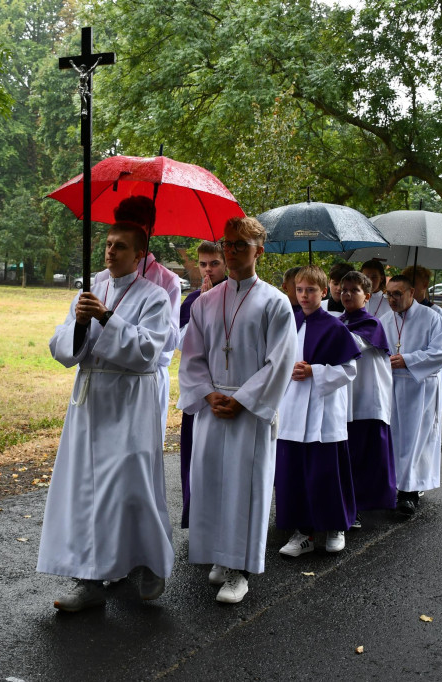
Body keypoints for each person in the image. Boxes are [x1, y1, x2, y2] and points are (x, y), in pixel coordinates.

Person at [39, 221, 174, 612]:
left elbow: (149, 351)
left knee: (130, 488)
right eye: (108, 244)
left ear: (139, 254)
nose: (111, 252)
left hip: (130, 401)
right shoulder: (90, 290)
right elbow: (62, 349)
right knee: (86, 491)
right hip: (90, 401)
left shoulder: (155, 296)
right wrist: (81, 323)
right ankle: (89, 580)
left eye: (120, 247)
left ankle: (149, 560)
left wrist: (107, 318)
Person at [178, 216, 297, 604]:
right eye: (227, 245)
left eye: (240, 246)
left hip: (249, 410)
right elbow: (193, 355)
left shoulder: (275, 303)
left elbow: (280, 361)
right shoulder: (206, 301)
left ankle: (241, 571)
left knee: (245, 487)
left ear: (258, 251)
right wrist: (208, 394)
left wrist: (243, 399)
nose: (230, 252)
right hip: (214, 407)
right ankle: (219, 555)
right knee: (211, 483)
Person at [275, 266, 361, 556]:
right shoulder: (289, 322)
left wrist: (316, 371)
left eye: (310, 290)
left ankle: (335, 526)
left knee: (325, 473)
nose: (304, 296)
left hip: (323, 411)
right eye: (299, 290)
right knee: (296, 474)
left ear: (324, 292)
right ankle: (304, 533)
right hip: (292, 407)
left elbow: (350, 369)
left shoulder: (335, 327)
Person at [95, 197, 181, 440]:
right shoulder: (102, 279)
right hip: (107, 376)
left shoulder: (166, 281)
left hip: (146, 375)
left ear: (150, 230)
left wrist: (147, 310)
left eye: (138, 225)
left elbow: (171, 340)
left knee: (140, 448)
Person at [381, 275, 442, 517]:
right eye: (388, 294)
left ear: (411, 292)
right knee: (394, 438)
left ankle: (409, 492)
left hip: (419, 387)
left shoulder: (432, 317)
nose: (392, 299)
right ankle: (393, 486)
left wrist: (408, 360)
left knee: (416, 439)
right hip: (393, 386)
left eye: (397, 294)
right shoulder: (384, 320)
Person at [176, 240, 226, 528]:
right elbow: (183, 342)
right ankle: (197, 519)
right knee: (195, 455)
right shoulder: (193, 300)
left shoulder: (237, 295)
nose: (208, 270)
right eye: (203, 264)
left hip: (228, 384)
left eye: (214, 264)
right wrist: (202, 309)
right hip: (199, 388)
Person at [339, 270, 395, 527]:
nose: (347, 294)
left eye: (354, 290)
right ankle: (351, 505)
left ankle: (363, 505)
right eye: (343, 289)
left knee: (365, 455)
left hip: (367, 400)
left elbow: (351, 344)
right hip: (347, 400)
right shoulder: (339, 321)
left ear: (367, 296)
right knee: (348, 456)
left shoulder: (371, 324)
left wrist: (321, 325)